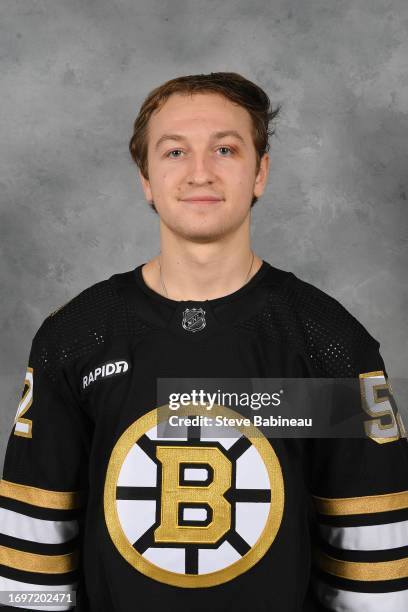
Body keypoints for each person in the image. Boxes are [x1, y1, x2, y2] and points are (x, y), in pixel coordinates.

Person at [0, 72, 407, 612]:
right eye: (173, 152)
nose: (199, 172)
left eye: (225, 148)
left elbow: (374, 556)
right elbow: (33, 552)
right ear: (145, 178)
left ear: (260, 172)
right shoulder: (78, 337)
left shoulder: (326, 341)